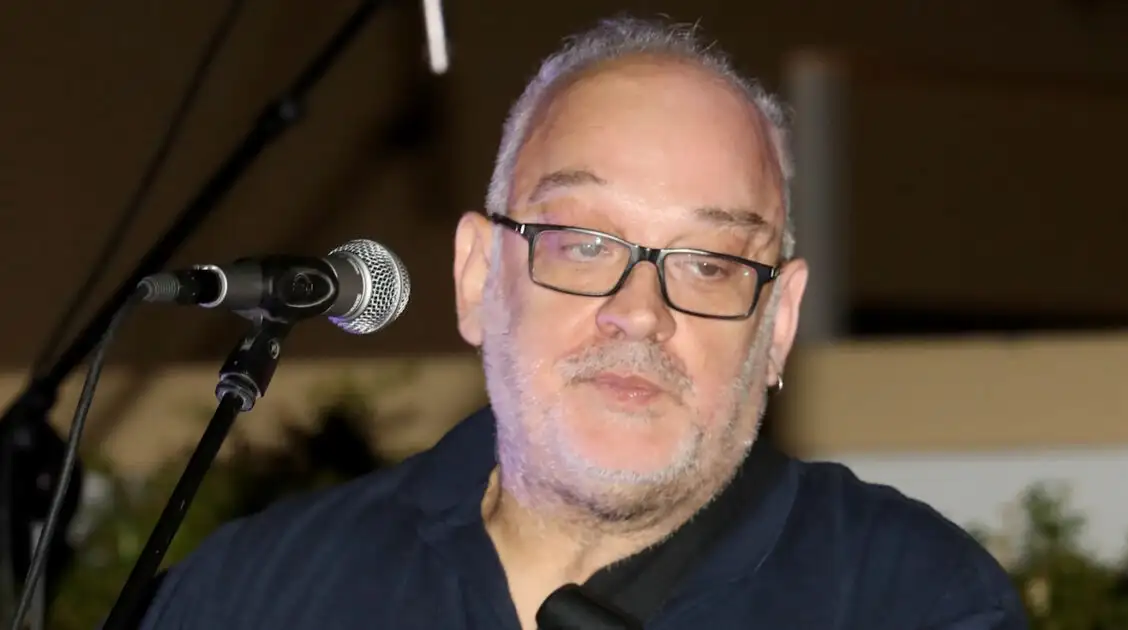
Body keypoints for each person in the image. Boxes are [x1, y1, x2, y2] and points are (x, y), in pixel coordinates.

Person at [136, 16, 1027, 630]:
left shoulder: (907, 597)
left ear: (779, 323)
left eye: (710, 263)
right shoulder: (261, 592)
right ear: (479, 277)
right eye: (584, 244)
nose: (640, 312)